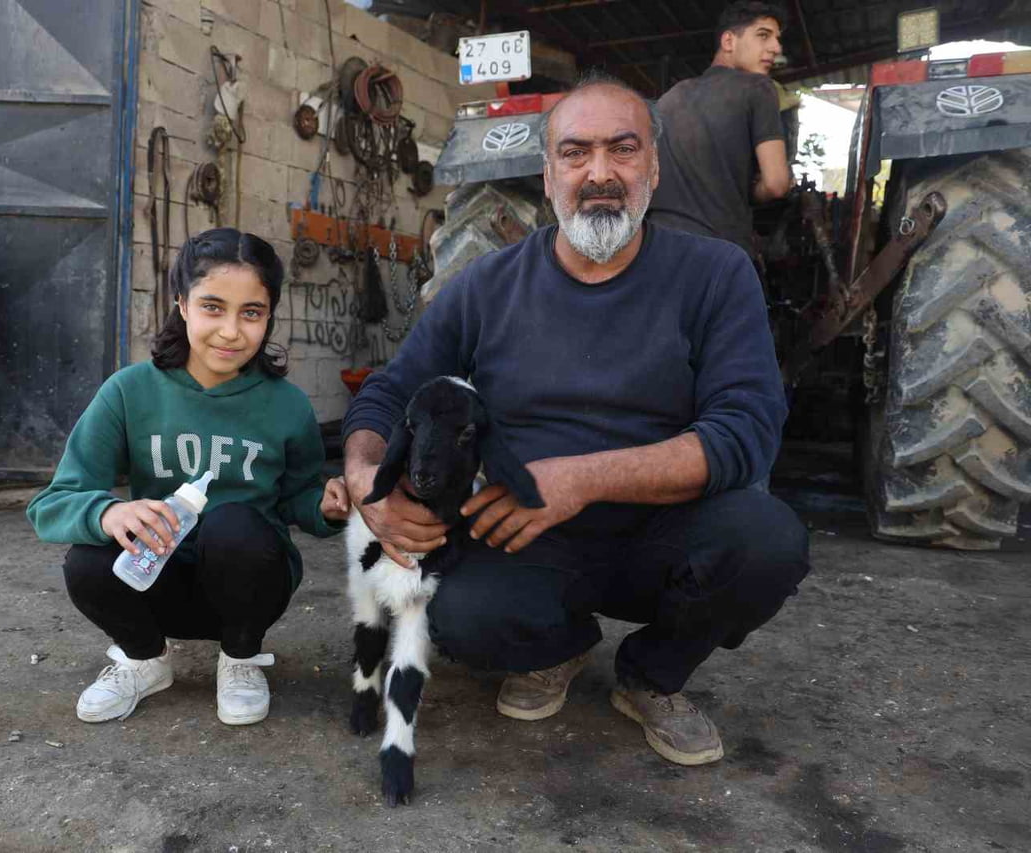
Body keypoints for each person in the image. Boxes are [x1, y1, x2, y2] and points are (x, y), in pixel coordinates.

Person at [342, 72, 810, 766]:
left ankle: (650, 674)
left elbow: (745, 432)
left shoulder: (717, 274)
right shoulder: (486, 285)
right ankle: (556, 649)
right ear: (547, 172)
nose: (600, 173)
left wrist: (583, 478)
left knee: (767, 541)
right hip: (525, 534)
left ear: (653, 165)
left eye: (623, 150)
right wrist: (363, 478)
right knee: (458, 613)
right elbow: (392, 390)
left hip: (665, 530)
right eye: (575, 152)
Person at [28, 228, 349, 727]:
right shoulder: (129, 391)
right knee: (88, 557)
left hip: (251, 587)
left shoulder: (286, 405)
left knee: (234, 523)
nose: (230, 331)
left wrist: (325, 506)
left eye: (252, 313)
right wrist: (110, 512)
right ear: (181, 304)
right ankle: (144, 659)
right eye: (213, 307)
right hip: (154, 584)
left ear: (269, 317)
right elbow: (53, 503)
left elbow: (299, 497)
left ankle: (241, 660)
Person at [646, 1, 793, 257]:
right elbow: (776, 183)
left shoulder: (670, 98)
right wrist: (751, 190)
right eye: (763, 35)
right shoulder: (758, 88)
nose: (776, 48)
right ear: (728, 41)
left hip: (656, 248)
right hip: (719, 252)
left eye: (777, 39)